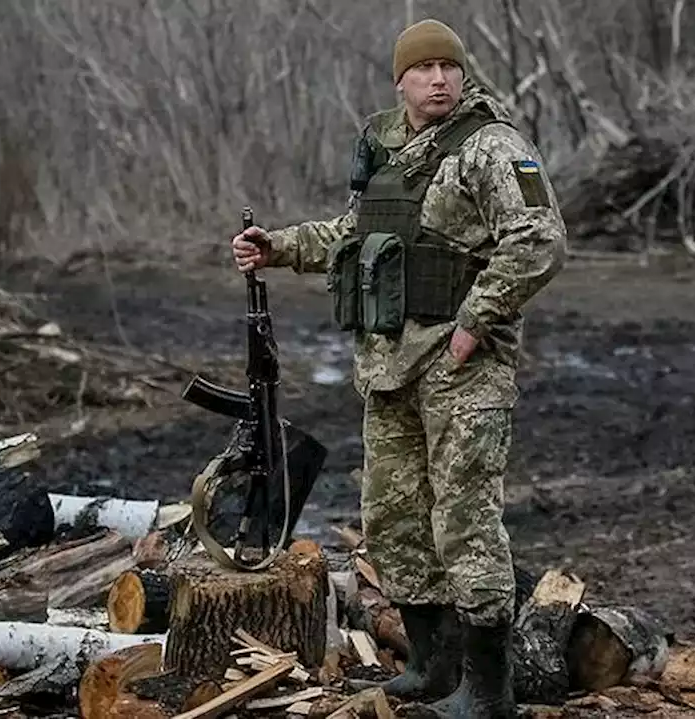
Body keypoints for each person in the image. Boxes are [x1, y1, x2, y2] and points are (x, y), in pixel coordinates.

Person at [231, 18, 567, 718]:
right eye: (424, 69)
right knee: (392, 519)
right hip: (388, 366)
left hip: (461, 366)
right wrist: (278, 247)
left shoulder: (491, 146)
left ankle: (489, 689)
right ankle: (434, 665)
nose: (439, 78)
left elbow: (539, 239)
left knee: (465, 523)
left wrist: (475, 323)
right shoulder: (386, 152)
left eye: (450, 66)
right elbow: (352, 238)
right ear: (401, 81)